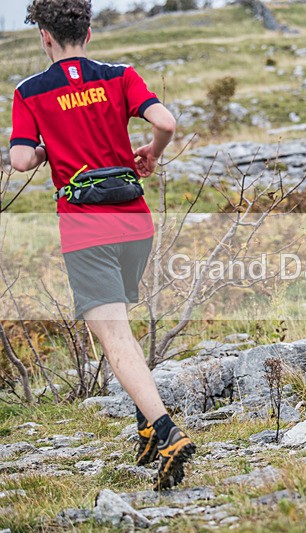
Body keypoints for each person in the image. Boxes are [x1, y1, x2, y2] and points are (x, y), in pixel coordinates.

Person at [9, 0, 194, 490]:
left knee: (112, 337)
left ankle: (169, 432)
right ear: (88, 33)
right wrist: (151, 154)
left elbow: (22, 161)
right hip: (135, 221)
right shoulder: (120, 75)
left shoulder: (30, 91)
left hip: (86, 226)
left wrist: (48, 147)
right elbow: (168, 123)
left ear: (44, 36)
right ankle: (146, 429)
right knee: (123, 330)